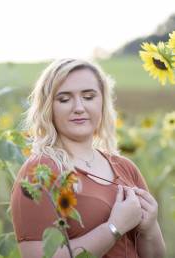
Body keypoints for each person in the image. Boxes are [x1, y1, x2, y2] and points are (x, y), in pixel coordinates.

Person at [10, 58, 166, 258]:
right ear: (49, 107)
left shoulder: (125, 168)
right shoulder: (40, 172)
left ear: (102, 102)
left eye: (89, 96)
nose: (79, 107)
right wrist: (113, 227)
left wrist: (150, 227)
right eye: (64, 99)